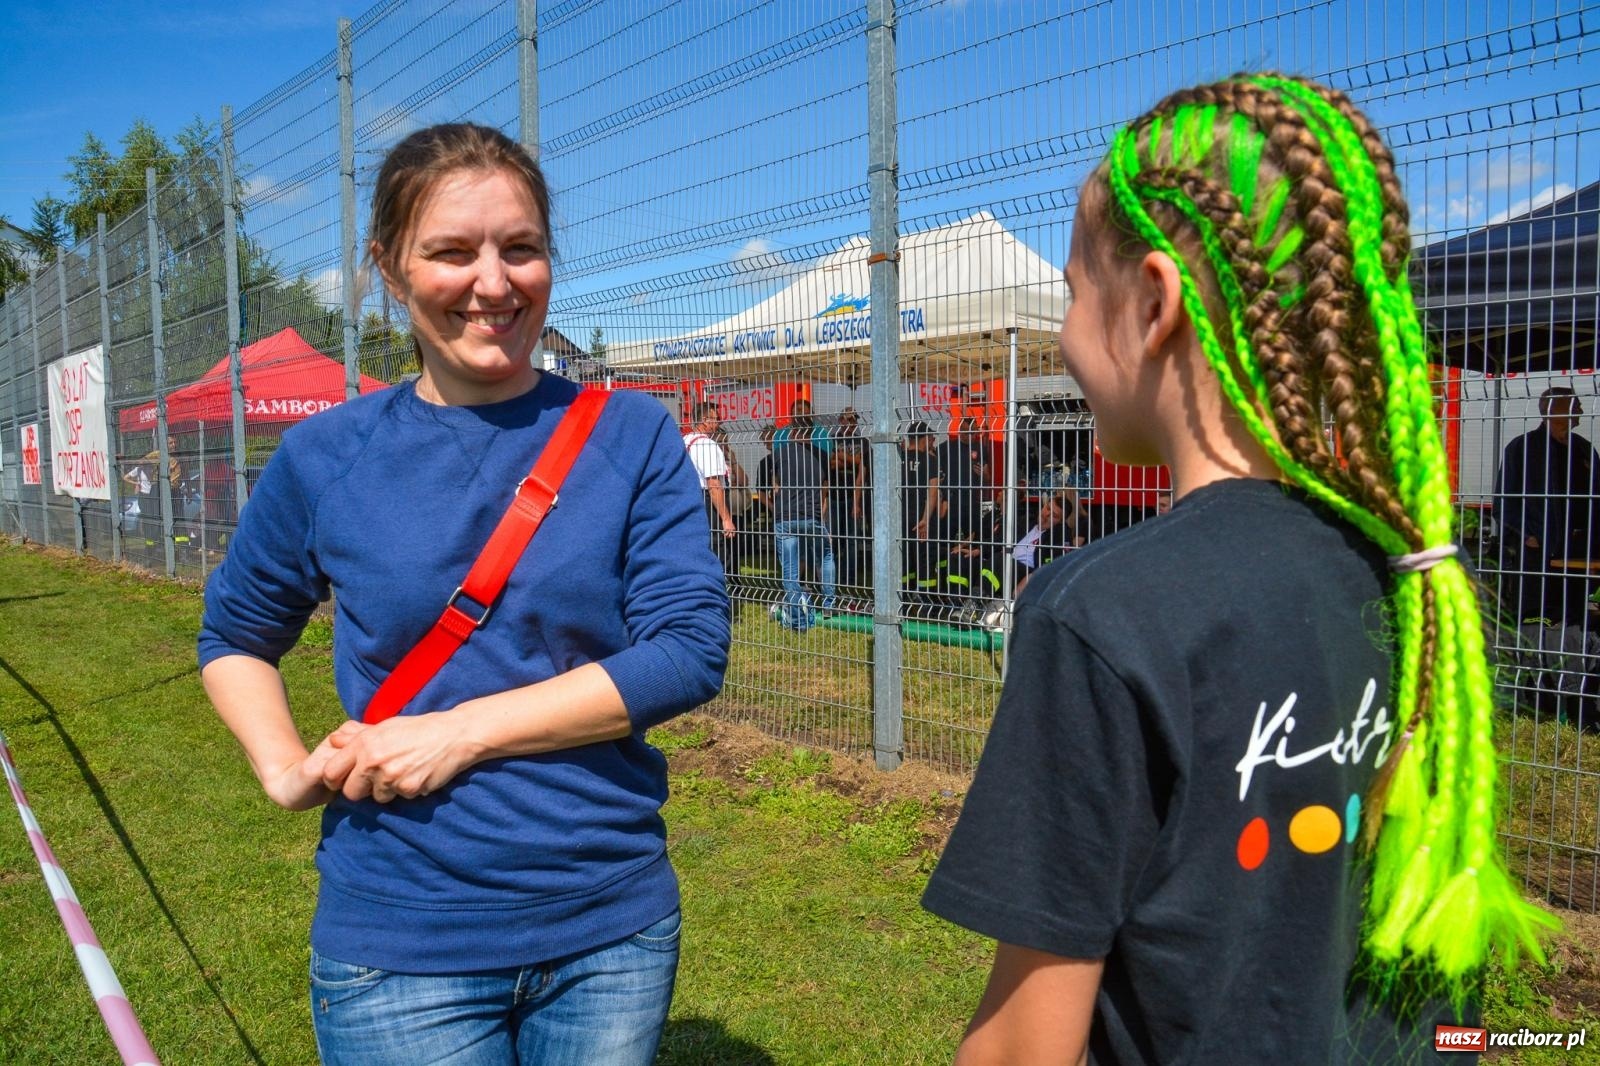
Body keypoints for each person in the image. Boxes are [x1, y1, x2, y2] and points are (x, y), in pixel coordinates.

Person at [923, 74, 1554, 1064]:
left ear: (1152, 303)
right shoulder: (1419, 584)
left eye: (1074, 294)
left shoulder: (1102, 612)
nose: (1064, 334)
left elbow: (1020, 1047)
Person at [197, 122, 729, 1066]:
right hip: (401, 943)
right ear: (389, 270)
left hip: (610, 929)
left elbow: (686, 651)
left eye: (520, 248)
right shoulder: (326, 455)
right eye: (451, 252)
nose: (494, 283)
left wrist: (460, 731)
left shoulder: (634, 434)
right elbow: (236, 635)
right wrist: (281, 769)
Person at [1493, 386, 1599, 623]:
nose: (1581, 410)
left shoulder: (1584, 449)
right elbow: (1503, 503)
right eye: (1576, 405)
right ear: (1555, 410)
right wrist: (1527, 535)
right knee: (1537, 616)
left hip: (1579, 554)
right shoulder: (1523, 448)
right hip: (1538, 556)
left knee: (1574, 615)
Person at [770, 417, 836, 631]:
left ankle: (797, 619)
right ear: (811, 433)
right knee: (825, 555)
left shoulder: (780, 453)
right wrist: (821, 516)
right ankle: (829, 605)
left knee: (790, 568)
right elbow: (825, 490)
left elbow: (776, 486)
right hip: (812, 515)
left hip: (785, 517)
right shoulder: (822, 455)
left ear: (792, 432)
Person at [683, 402, 740, 617]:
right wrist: (726, 518)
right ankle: (718, 608)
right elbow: (714, 485)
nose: (718, 423)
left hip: (688, 502)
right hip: (707, 505)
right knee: (718, 555)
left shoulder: (684, 441)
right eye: (715, 419)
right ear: (705, 420)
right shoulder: (707, 445)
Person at [899, 421, 942, 613]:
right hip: (920, 518)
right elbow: (932, 492)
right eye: (930, 437)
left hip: (901, 518)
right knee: (924, 560)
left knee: (904, 559)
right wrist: (925, 519)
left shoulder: (898, 457)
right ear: (924, 438)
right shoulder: (930, 460)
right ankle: (927, 604)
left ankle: (903, 600)